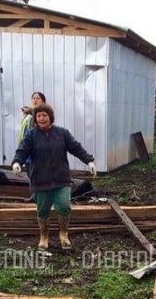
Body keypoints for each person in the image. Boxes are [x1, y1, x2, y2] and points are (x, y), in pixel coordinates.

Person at [11, 104, 96, 250]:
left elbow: (76, 148)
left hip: (61, 179)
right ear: (35, 119)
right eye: (38, 116)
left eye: (44, 115)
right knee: (42, 210)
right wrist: (17, 162)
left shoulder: (61, 133)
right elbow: (22, 150)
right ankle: (44, 237)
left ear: (50, 117)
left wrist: (89, 160)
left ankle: (63, 234)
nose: (42, 118)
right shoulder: (31, 135)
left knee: (64, 206)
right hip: (40, 180)